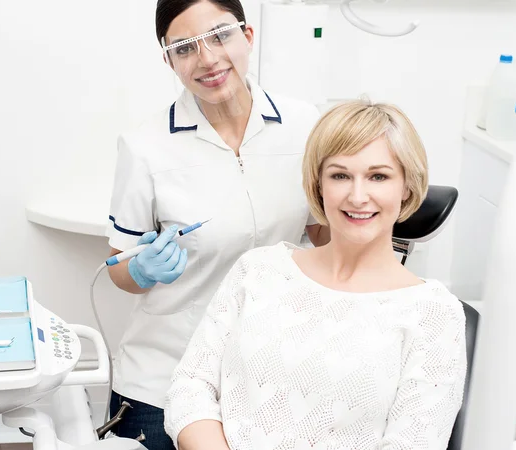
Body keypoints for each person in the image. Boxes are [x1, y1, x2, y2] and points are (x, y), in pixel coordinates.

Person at [164, 99, 467, 449]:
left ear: (407, 187)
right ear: (319, 186)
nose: (357, 195)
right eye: (340, 175)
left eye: (378, 176)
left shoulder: (433, 312)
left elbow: (414, 442)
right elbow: (191, 386)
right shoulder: (258, 270)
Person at [104, 0, 328, 448]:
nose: (207, 59)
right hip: (163, 374)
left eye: (220, 35)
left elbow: (321, 235)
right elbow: (118, 268)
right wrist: (142, 269)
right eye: (185, 48)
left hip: (267, 369)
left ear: (247, 36)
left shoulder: (307, 126)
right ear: (168, 59)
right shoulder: (145, 147)